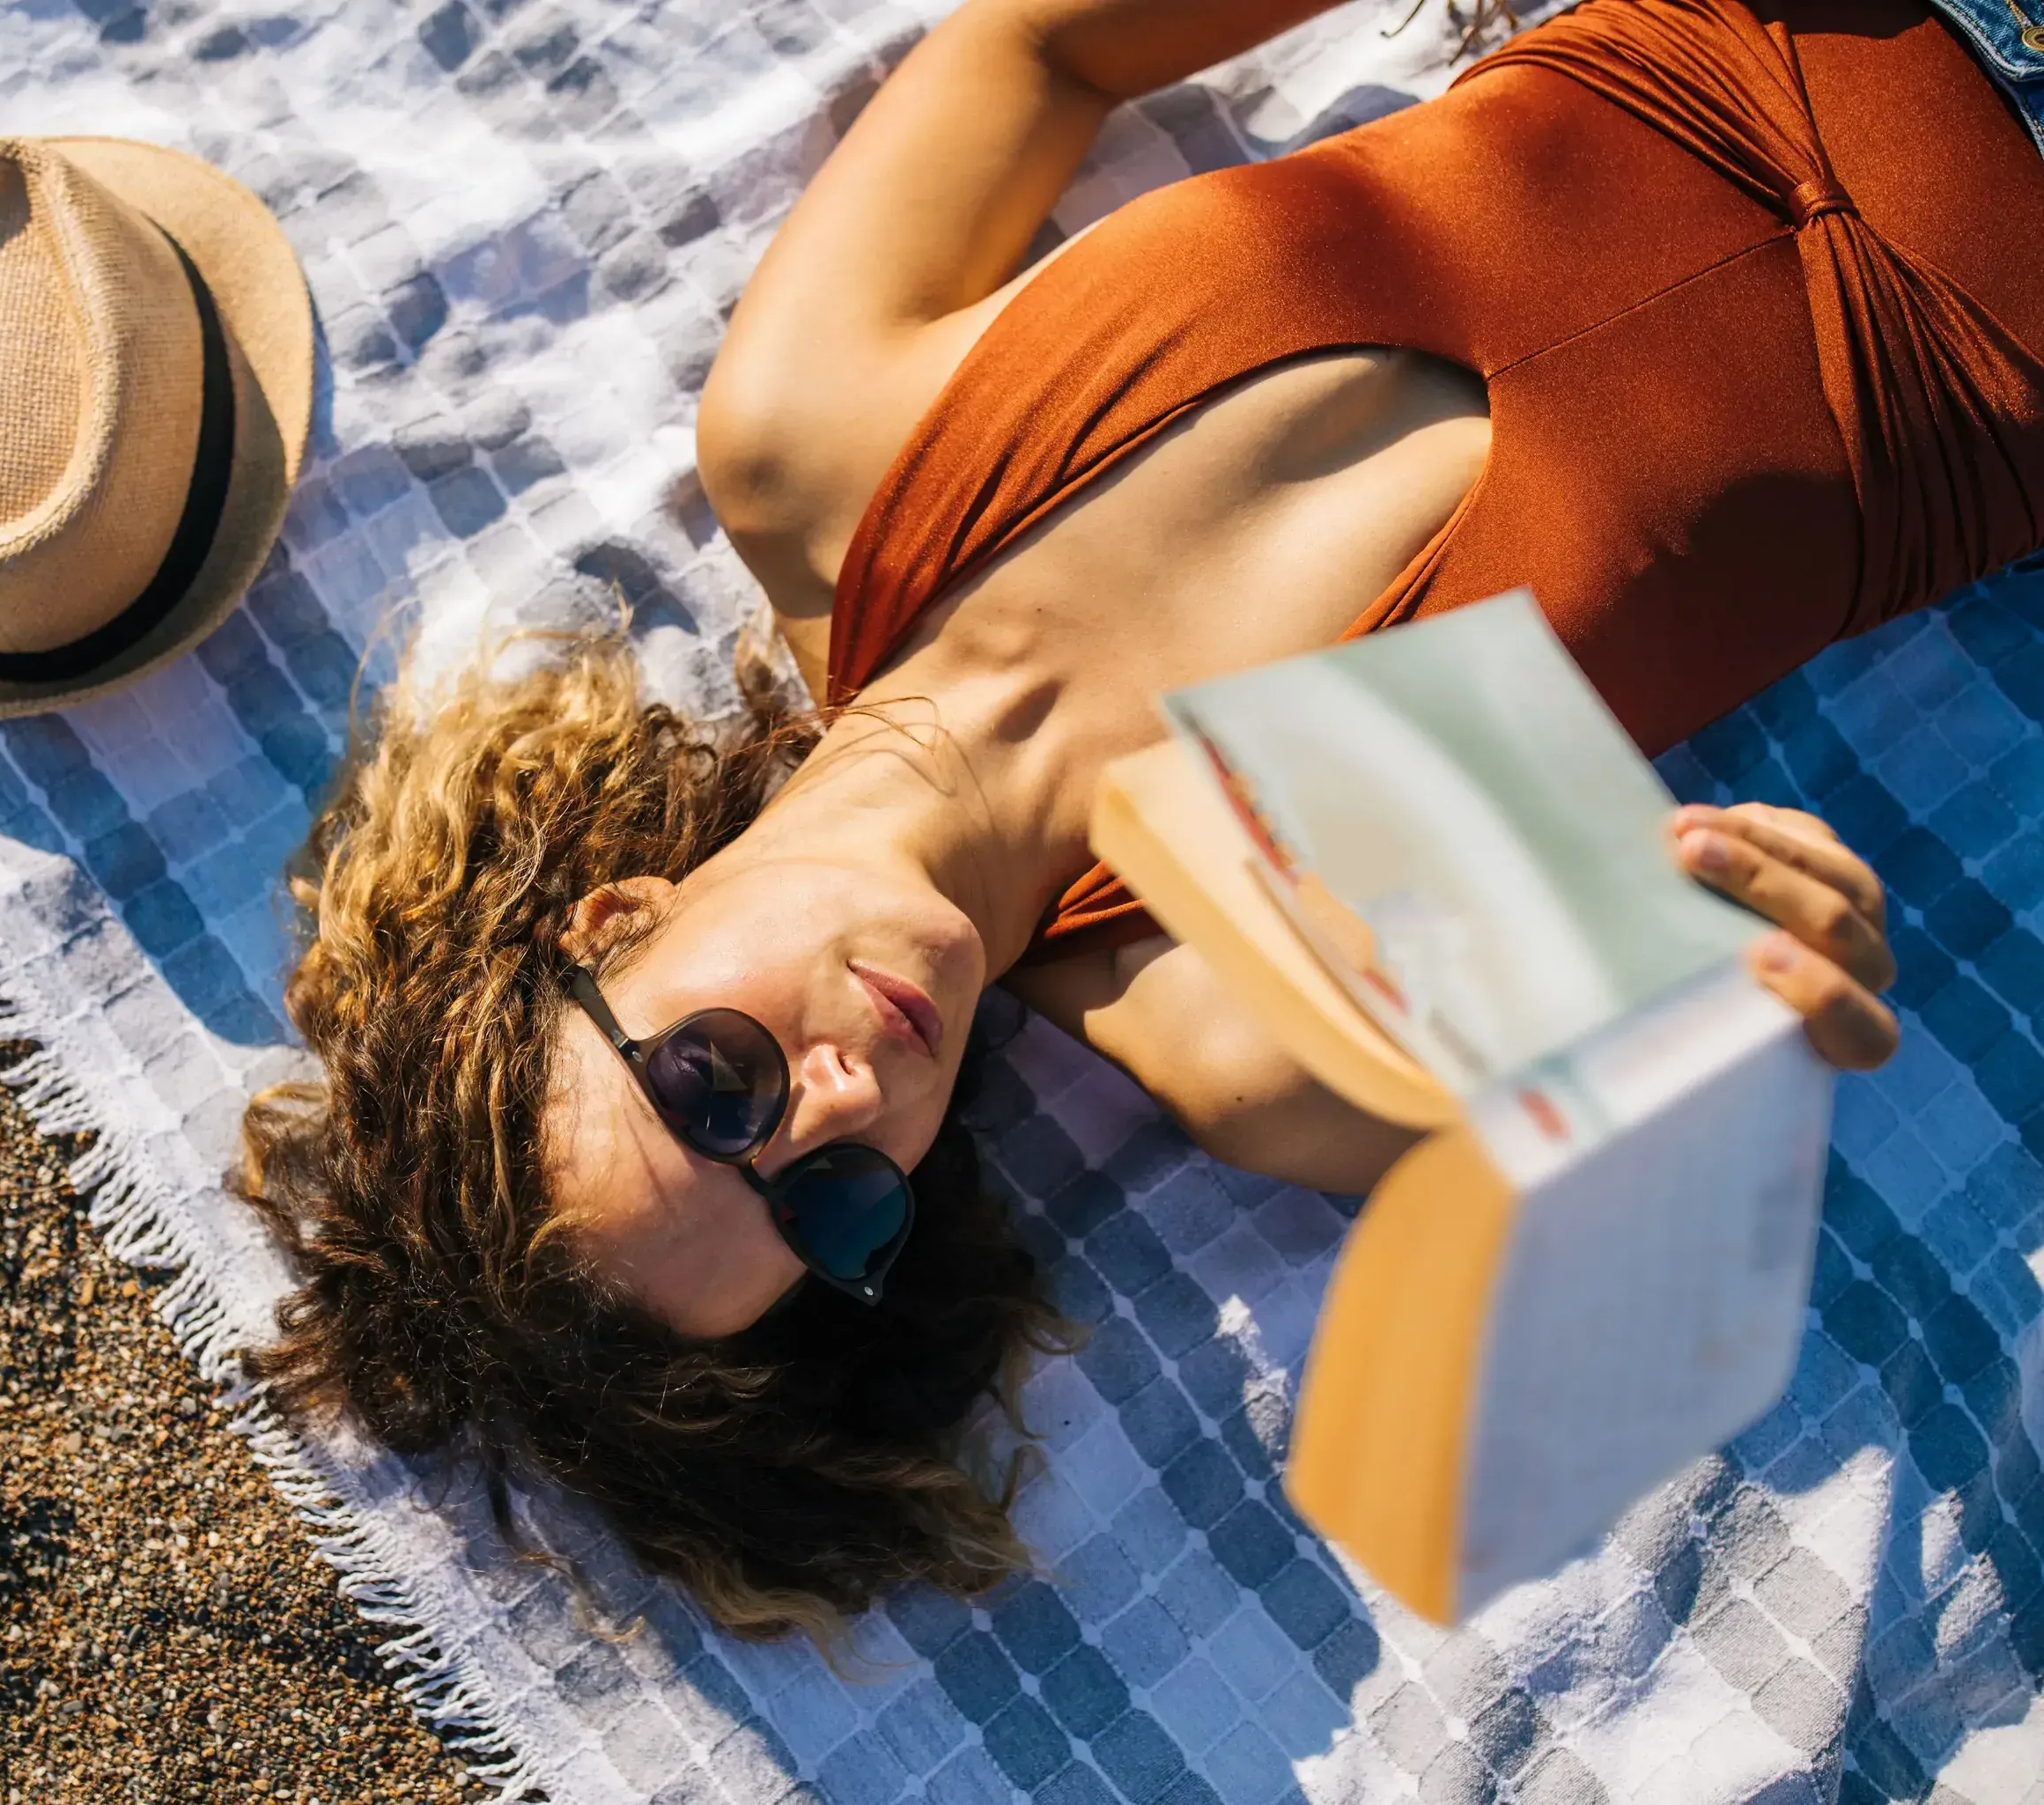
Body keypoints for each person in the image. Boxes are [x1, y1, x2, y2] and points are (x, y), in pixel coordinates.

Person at [242, 0, 2044, 1639]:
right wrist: (1725, 959)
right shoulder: (1225, 999)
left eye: (716, 1086)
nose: (846, 1099)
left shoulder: (812, 452)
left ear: (613, 919)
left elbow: (1047, 53)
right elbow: (1630, 1033)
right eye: (837, 1204)